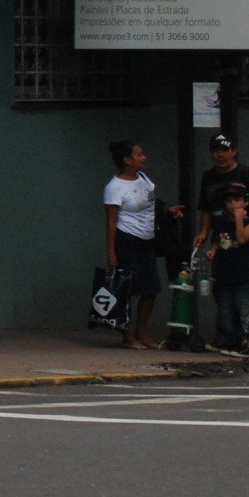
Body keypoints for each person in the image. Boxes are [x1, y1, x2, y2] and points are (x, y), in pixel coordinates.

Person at [194, 134, 249, 352]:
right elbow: (207, 210)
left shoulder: (248, 175)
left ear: (234, 151)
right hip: (224, 243)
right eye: (215, 150)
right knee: (225, 294)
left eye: (224, 149)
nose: (219, 154)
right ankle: (229, 338)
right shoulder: (209, 178)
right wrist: (205, 234)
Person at [104, 139, 166, 349]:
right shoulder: (115, 187)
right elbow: (111, 221)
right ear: (127, 160)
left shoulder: (143, 178)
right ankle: (127, 334)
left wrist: (168, 211)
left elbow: (152, 203)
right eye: (139, 155)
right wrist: (111, 252)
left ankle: (142, 331)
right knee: (127, 289)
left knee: (151, 288)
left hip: (146, 239)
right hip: (127, 239)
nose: (143, 157)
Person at [199, 181, 249, 356]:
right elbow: (223, 240)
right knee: (225, 307)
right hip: (224, 270)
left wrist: (239, 219)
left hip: (242, 273)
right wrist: (213, 250)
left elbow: (241, 240)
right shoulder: (222, 222)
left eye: (237, 199)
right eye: (229, 201)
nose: (232, 204)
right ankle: (227, 339)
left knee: (245, 307)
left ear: (245, 202)